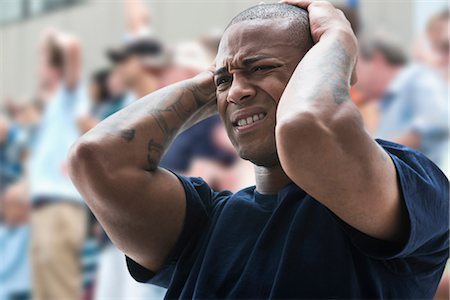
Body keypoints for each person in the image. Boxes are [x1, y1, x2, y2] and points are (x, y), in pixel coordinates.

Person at [68, 1, 449, 299]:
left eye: (262, 67)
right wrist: (216, 81)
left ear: (316, 70)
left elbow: (307, 129)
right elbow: (96, 159)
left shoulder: (414, 184)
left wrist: (336, 39)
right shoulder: (203, 224)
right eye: (225, 81)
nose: (235, 91)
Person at [29, 30, 89, 300]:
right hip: (44, 211)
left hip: (59, 209)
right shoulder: (53, 106)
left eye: (41, 61)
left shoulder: (69, 97)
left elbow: (73, 48)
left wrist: (51, 39)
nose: (37, 69)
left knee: (61, 293)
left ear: (53, 68)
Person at [355, 33, 448, 168]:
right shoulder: (382, 102)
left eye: (356, 66)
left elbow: (438, 119)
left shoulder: (417, 78)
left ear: (377, 60)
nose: (353, 78)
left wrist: (378, 156)